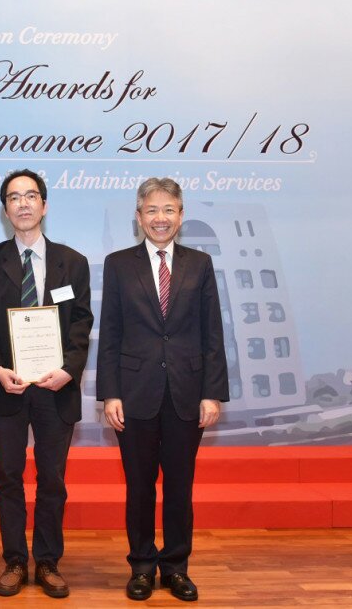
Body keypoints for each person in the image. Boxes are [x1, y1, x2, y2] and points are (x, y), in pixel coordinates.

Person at [96, 177, 229, 602]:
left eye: (168, 210)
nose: (160, 218)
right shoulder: (118, 264)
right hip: (133, 394)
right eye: (151, 210)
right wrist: (109, 393)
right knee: (138, 486)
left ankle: (175, 568)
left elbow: (212, 334)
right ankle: (140, 566)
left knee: (179, 486)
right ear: (139, 217)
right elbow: (111, 333)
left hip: (187, 393)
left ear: (181, 215)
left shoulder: (200, 264)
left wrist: (212, 392)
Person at [0, 169, 93, 598]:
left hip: (56, 388)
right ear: (5, 209)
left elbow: (81, 323)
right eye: (14, 197)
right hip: (8, 387)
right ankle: (15, 561)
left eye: (31, 196)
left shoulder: (72, 261)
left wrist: (69, 369)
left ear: (44, 205)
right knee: (8, 477)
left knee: (53, 479)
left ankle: (49, 561)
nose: (23, 204)